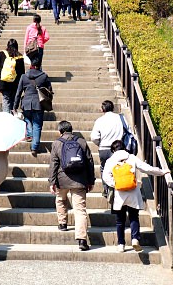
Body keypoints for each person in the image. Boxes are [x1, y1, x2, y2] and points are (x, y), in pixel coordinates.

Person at [103, 138, 165, 252]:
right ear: (124, 147)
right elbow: (146, 168)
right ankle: (135, 238)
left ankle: (121, 244)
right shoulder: (131, 157)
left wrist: (115, 184)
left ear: (113, 150)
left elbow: (105, 177)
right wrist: (162, 171)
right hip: (133, 192)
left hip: (119, 194)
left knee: (120, 220)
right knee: (134, 217)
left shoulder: (110, 160)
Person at [49, 120, 95, 251]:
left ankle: (62, 223)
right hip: (79, 181)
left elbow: (53, 164)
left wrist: (52, 181)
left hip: (62, 180)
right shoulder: (81, 141)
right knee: (80, 210)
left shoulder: (57, 143)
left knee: (60, 200)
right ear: (71, 129)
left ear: (60, 131)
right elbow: (89, 162)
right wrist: (90, 180)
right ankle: (82, 240)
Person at [90, 100, 136, 182]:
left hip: (104, 149)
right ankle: (117, 187)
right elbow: (129, 131)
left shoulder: (99, 120)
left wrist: (100, 143)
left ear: (103, 109)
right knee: (119, 167)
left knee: (104, 168)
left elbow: (94, 137)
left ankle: (106, 190)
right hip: (118, 148)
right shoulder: (121, 118)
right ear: (113, 108)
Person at [14, 60, 51, 155]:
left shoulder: (24, 76)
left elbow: (18, 93)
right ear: (40, 65)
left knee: (27, 120)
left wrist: (15, 106)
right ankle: (34, 147)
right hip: (38, 104)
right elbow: (50, 91)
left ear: (31, 65)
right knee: (37, 125)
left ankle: (30, 134)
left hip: (26, 103)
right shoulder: (44, 76)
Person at [0, 38, 25, 113]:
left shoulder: (2, 54)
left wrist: (2, 74)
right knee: (13, 100)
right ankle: (12, 115)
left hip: (4, 82)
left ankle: (6, 117)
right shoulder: (20, 57)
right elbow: (22, 72)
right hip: (15, 83)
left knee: (6, 99)